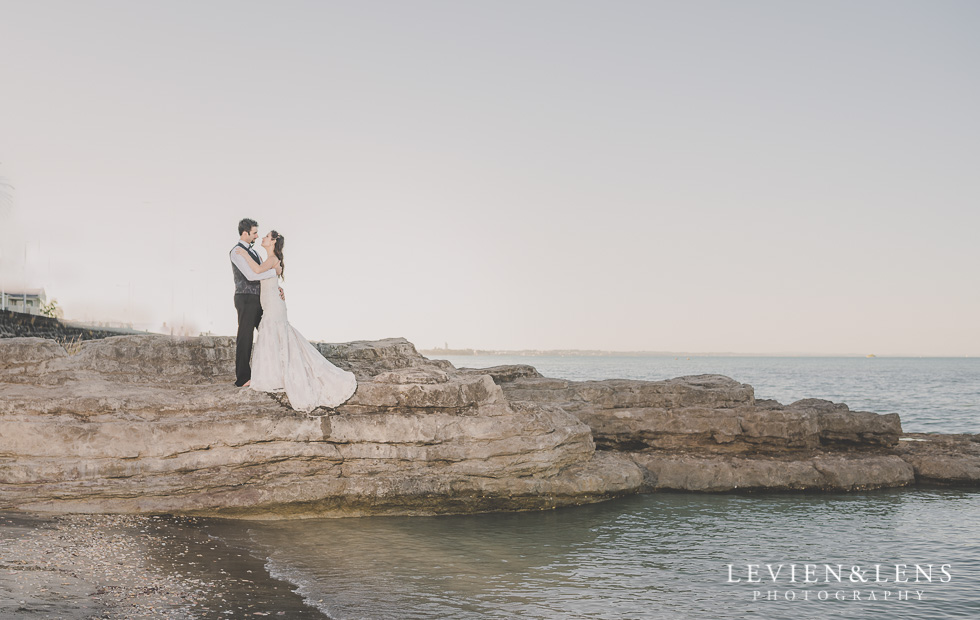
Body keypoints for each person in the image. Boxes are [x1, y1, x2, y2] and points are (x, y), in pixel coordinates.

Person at [232, 230, 357, 412]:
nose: (263, 238)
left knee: (275, 332)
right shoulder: (270, 260)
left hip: (273, 306)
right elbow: (265, 277)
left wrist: (243, 253)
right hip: (271, 302)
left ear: (274, 242)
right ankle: (276, 373)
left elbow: (257, 271)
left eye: (267, 236)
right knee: (274, 334)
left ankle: (279, 373)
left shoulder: (271, 259)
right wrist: (278, 286)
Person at [230, 218, 283, 387]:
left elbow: (263, 275)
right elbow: (252, 276)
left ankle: (274, 371)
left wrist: (277, 287)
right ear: (245, 233)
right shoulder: (237, 252)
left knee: (269, 333)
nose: (257, 236)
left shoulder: (255, 253)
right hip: (245, 298)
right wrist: (274, 274)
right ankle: (243, 378)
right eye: (254, 233)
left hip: (261, 299)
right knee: (245, 336)